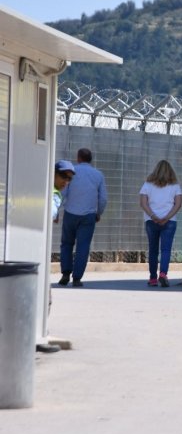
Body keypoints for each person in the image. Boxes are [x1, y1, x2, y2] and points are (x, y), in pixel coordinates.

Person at [38, 161, 76, 354]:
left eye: (69, 179)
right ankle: (39, 335)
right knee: (45, 297)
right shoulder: (53, 193)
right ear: (52, 173)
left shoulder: (44, 188)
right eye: (63, 177)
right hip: (36, 249)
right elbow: (50, 215)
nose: (66, 182)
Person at [59, 148, 107, 287]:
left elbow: (62, 193)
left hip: (70, 213)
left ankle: (65, 274)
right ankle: (77, 278)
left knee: (67, 244)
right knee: (83, 246)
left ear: (78, 158)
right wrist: (98, 213)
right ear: (90, 159)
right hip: (88, 215)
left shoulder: (71, 172)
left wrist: (56, 210)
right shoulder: (98, 175)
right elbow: (103, 199)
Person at [140, 160, 182, 287]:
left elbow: (143, 203)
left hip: (151, 221)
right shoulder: (175, 186)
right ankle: (163, 274)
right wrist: (167, 217)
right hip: (169, 221)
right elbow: (178, 204)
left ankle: (153, 278)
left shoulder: (147, 184)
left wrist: (153, 216)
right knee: (166, 249)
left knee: (153, 249)